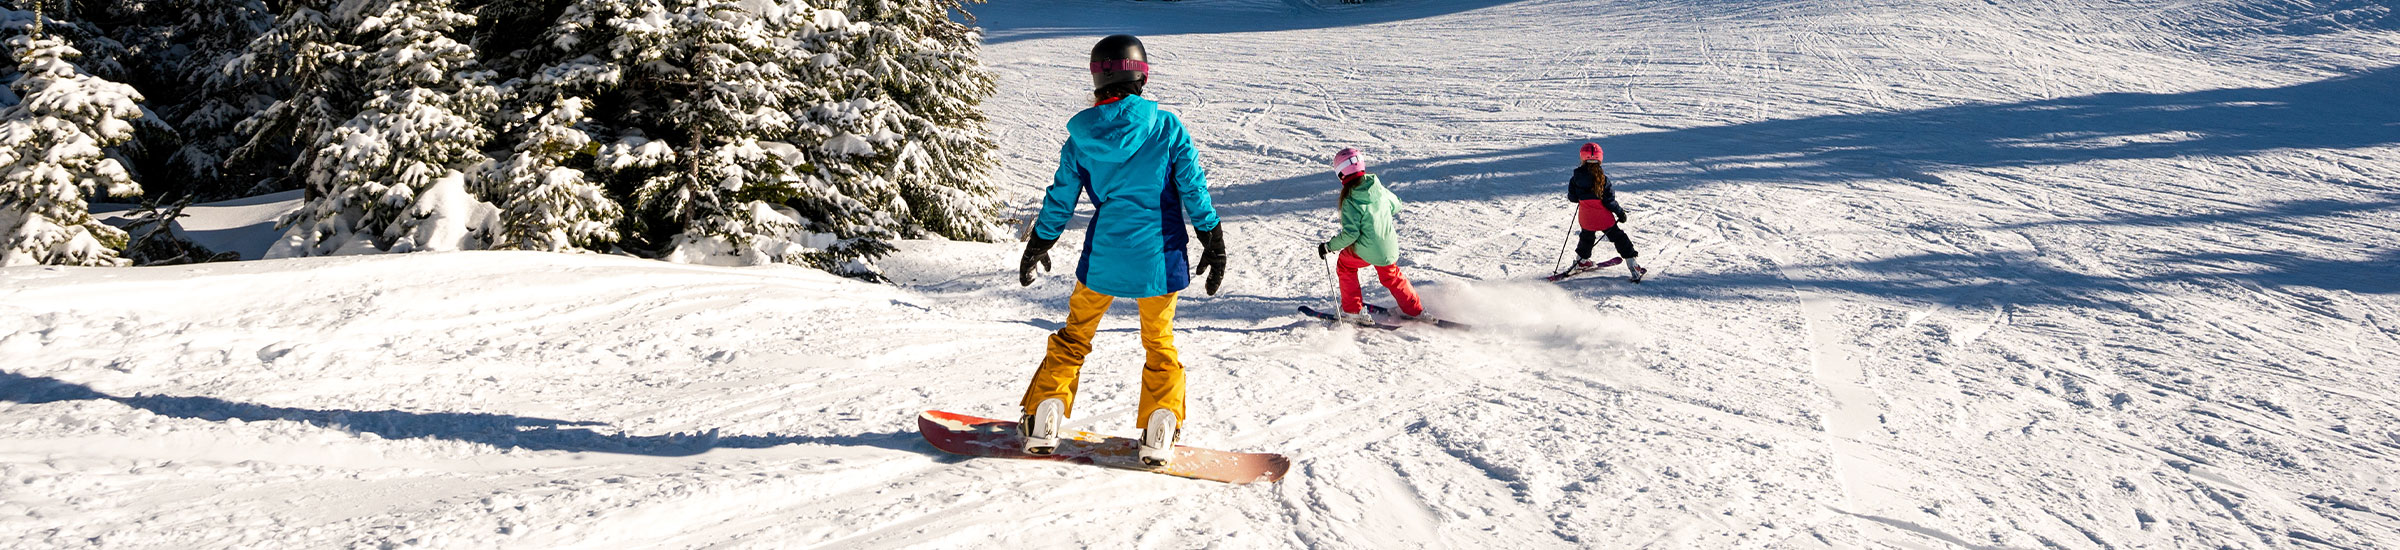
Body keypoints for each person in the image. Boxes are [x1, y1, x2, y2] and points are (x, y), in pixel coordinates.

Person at [1015, 34, 1227, 468]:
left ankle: (1044, 416)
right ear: (1142, 76)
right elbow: (1193, 188)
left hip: (1105, 255)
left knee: (1074, 337)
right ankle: (1159, 429)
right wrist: (1211, 235)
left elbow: (1061, 197)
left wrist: (1042, 239)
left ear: (1098, 76)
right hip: (1158, 256)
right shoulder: (1167, 128)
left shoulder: (1080, 139)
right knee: (1159, 344)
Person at [1316, 148, 1430, 326]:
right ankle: (1414, 310)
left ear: (1340, 174)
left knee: (1345, 265)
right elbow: (1397, 205)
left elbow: (1351, 234)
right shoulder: (1377, 187)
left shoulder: (1350, 199)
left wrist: (1329, 246)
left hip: (1366, 250)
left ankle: (1353, 311)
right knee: (1392, 276)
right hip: (1387, 247)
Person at [1567, 142, 1646, 282]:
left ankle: (1581, 261)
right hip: (1603, 218)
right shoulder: (1603, 179)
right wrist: (1620, 213)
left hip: (1586, 217)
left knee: (1587, 237)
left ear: (1582, 158)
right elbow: (1609, 201)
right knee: (1619, 238)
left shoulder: (1575, 178)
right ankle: (1633, 265)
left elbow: (1573, 198)